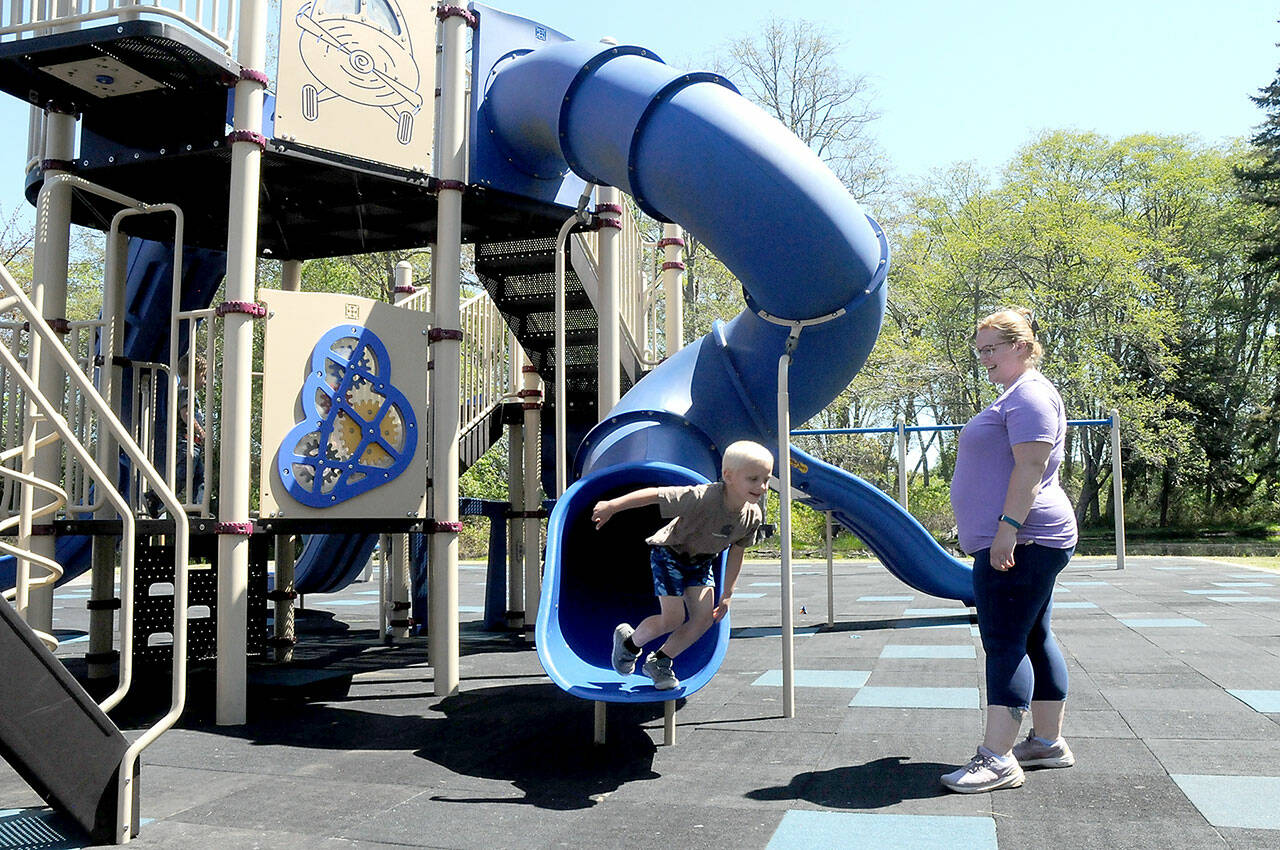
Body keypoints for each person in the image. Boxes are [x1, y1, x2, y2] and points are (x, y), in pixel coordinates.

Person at [940, 308, 1078, 794]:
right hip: (1025, 538)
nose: (984, 359)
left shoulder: (1031, 397)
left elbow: (1031, 468)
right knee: (1034, 636)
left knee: (1004, 641)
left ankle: (997, 759)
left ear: (1021, 346)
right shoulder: (1016, 396)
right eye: (980, 351)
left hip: (1027, 538)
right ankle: (1045, 743)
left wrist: (1007, 529)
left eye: (992, 349)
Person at [592, 440, 773, 691]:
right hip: (670, 552)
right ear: (728, 476)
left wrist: (728, 592)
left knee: (703, 620)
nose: (761, 487)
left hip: (700, 562)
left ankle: (660, 661)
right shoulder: (702, 497)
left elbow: (737, 552)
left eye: (766, 479)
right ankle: (629, 643)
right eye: (753, 479)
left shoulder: (752, 515)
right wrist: (614, 505)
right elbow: (655, 494)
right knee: (673, 619)